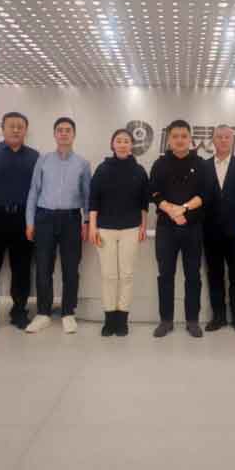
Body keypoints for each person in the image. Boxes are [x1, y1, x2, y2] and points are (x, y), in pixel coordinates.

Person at [0, 112, 39, 336]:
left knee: (22, 269)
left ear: (26, 130)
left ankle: (19, 311)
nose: (16, 130)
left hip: (23, 220)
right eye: (11, 126)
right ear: (2, 128)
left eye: (20, 126)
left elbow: (38, 190)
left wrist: (33, 221)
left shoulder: (34, 156)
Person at [25, 117, 91, 335]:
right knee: (43, 267)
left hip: (71, 219)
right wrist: (30, 222)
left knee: (71, 268)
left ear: (74, 135)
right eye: (60, 130)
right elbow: (33, 192)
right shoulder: (43, 160)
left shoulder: (82, 164)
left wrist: (86, 221)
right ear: (54, 134)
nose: (63, 133)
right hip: (44, 218)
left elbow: (87, 197)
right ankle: (43, 313)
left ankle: (68, 313)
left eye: (68, 130)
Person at [88, 129, 149, 337]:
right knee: (109, 275)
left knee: (127, 275)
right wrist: (92, 227)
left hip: (131, 229)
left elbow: (144, 203)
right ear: (112, 144)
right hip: (105, 229)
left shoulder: (139, 171)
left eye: (126, 141)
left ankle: (122, 319)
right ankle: (109, 320)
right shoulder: (102, 169)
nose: (122, 144)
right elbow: (93, 200)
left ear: (131, 145)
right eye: (119, 141)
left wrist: (143, 226)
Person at [149, 119, 207, 338]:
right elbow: (154, 193)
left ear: (190, 139)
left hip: (193, 227)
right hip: (166, 228)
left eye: (184, 136)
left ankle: (192, 320)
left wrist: (183, 209)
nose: (180, 140)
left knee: (193, 275)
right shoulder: (160, 164)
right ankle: (166, 320)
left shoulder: (201, 164)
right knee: (165, 275)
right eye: (175, 136)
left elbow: (204, 195)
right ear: (169, 139)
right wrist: (171, 211)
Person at [202, 125, 235, 334]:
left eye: (227, 137)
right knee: (214, 275)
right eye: (219, 137)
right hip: (210, 230)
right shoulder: (204, 166)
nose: (223, 140)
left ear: (233, 141)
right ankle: (218, 317)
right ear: (213, 141)